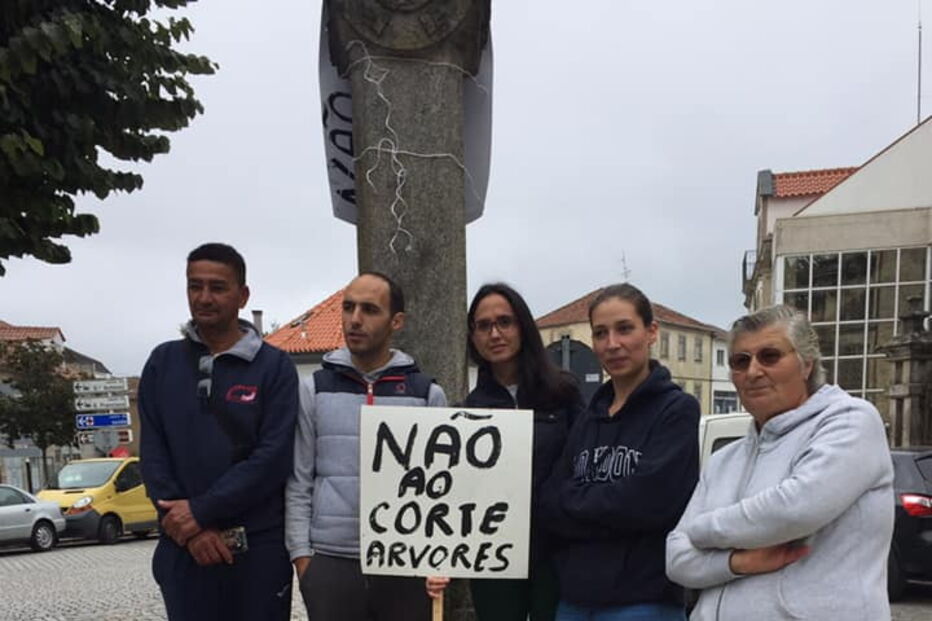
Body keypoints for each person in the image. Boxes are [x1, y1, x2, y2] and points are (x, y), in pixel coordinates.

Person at [666, 305, 894, 620]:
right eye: (740, 361)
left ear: (806, 364)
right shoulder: (724, 460)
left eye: (769, 356)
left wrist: (700, 529)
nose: (753, 371)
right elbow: (675, 559)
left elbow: (795, 509)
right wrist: (736, 563)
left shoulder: (851, 421)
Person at [139, 243, 299, 621]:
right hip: (184, 550)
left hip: (257, 552)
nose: (204, 298)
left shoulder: (275, 367)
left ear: (243, 296)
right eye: (195, 286)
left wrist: (202, 510)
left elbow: (273, 458)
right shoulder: (162, 363)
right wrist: (191, 529)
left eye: (218, 287)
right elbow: (153, 453)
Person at [285, 272, 447, 621]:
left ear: (396, 321)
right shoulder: (314, 389)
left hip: (405, 562)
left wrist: (438, 560)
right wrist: (303, 559)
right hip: (331, 562)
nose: (355, 319)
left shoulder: (427, 394)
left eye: (370, 309)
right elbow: (299, 479)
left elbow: (442, 490)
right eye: (348, 307)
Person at [540, 283, 700, 621]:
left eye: (624, 329)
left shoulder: (676, 411)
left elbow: (651, 504)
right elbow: (550, 502)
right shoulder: (587, 418)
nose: (612, 344)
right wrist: (612, 509)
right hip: (573, 601)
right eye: (601, 333)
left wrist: (577, 508)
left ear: (651, 332)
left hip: (644, 602)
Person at [426, 283, 584, 621]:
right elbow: (456, 493)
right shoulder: (468, 410)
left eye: (504, 322)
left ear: (522, 326)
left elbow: (581, 464)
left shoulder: (564, 392)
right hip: (493, 556)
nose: (494, 334)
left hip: (555, 551)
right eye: (483, 326)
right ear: (472, 337)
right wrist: (439, 555)